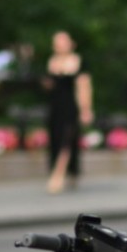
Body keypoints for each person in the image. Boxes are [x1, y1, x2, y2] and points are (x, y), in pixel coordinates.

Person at [43, 31, 93, 193]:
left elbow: (84, 86)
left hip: (71, 107)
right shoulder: (51, 62)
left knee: (67, 140)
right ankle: (70, 172)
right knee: (56, 140)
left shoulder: (77, 62)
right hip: (55, 108)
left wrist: (85, 109)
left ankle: (58, 175)